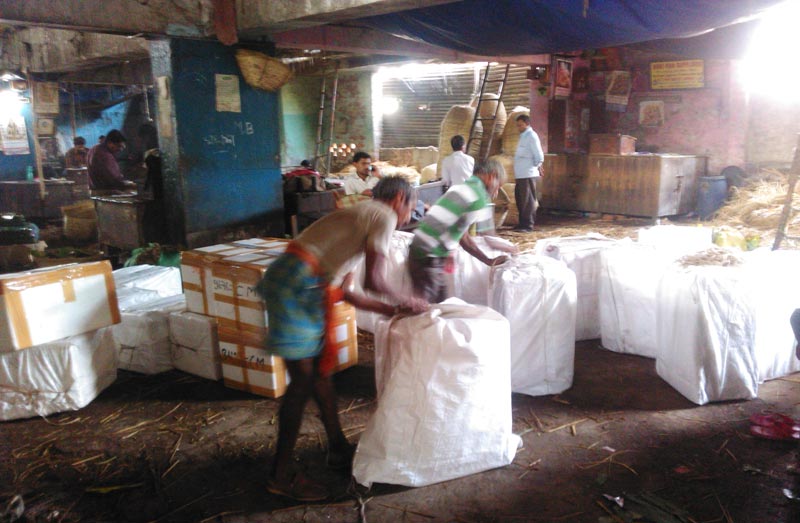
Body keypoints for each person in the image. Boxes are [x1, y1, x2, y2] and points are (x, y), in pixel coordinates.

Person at [258, 177, 428, 501]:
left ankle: (337, 448)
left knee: (321, 375)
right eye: (411, 204)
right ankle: (280, 475)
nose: (410, 213)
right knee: (302, 384)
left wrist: (392, 309)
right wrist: (406, 301)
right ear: (398, 200)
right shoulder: (382, 216)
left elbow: (349, 293)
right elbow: (376, 281)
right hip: (298, 287)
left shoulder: (360, 218)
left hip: (299, 284)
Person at [409, 159, 518, 303]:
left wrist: (488, 261)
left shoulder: (458, 188)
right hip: (430, 254)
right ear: (491, 177)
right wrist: (511, 248)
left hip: (419, 249)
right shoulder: (479, 195)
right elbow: (490, 239)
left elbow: (463, 238)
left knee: (436, 302)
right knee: (428, 308)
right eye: (498, 186)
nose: (496, 192)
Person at [513, 114, 544, 232]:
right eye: (517, 125)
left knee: (528, 201)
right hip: (520, 174)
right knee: (520, 200)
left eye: (520, 125)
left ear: (527, 123)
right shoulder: (523, 136)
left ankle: (528, 225)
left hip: (528, 173)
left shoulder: (531, 136)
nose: (518, 127)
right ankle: (522, 223)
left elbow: (538, 154)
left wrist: (537, 166)